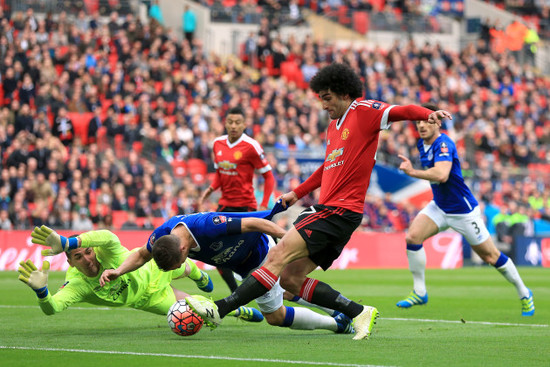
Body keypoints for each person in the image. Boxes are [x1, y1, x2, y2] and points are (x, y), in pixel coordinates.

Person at [184, 62, 452, 340]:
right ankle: (359, 312)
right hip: (336, 212)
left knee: (275, 257)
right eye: (320, 99)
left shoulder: (363, 111)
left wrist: (427, 113)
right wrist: (297, 193)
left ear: (345, 94)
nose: (323, 105)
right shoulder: (334, 127)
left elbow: (400, 111)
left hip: (338, 210)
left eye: (327, 98)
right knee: (290, 278)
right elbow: (327, 168)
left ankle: (219, 309)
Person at [99, 203, 355, 334]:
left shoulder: (208, 225)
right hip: (241, 264)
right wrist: (119, 271)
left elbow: (254, 222)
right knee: (287, 291)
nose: (180, 267)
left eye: (179, 264)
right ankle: (341, 312)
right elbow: (142, 254)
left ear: (184, 251)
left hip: (260, 253)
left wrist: (286, 240)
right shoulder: (160, 237)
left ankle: (339, 325)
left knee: (275, 316)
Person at [395, 103, 535, 316]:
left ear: (438, 122)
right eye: (418, 121)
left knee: (491, 257)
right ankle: (420, 292)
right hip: (440, 207)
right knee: (412, 237)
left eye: (427, 120)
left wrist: (412, 172)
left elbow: (442, 175)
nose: (422, 125)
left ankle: (524, 293)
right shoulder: (421, 144)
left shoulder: (444, 143)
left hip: (462, 211)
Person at [17, 226, 260, 320]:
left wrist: (69, 241)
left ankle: (198, 275)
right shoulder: (77, 284)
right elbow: (53, 308)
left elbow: (108, 236)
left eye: (88, 252)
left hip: (152, 267)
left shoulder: (106, 252)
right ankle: (237, 310)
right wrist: (41, 292)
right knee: (195, 312)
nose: (88, 259)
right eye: (78, 257)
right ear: (69, 261)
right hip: (147, 299)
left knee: (184, 268)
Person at [197, 106, 275, 293]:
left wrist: (264, 204)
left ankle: (275, 282)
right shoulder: (217, 144)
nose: (233, 126)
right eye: (230, 122)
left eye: (237, 122)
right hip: (224, 206)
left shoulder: (251, 146)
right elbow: (220, 173)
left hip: (247, 206)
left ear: (244, 124)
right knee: (216, 251)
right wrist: (210, 188)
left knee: (261, 249)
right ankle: (235, 292)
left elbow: (269, 176)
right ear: (225, 123)